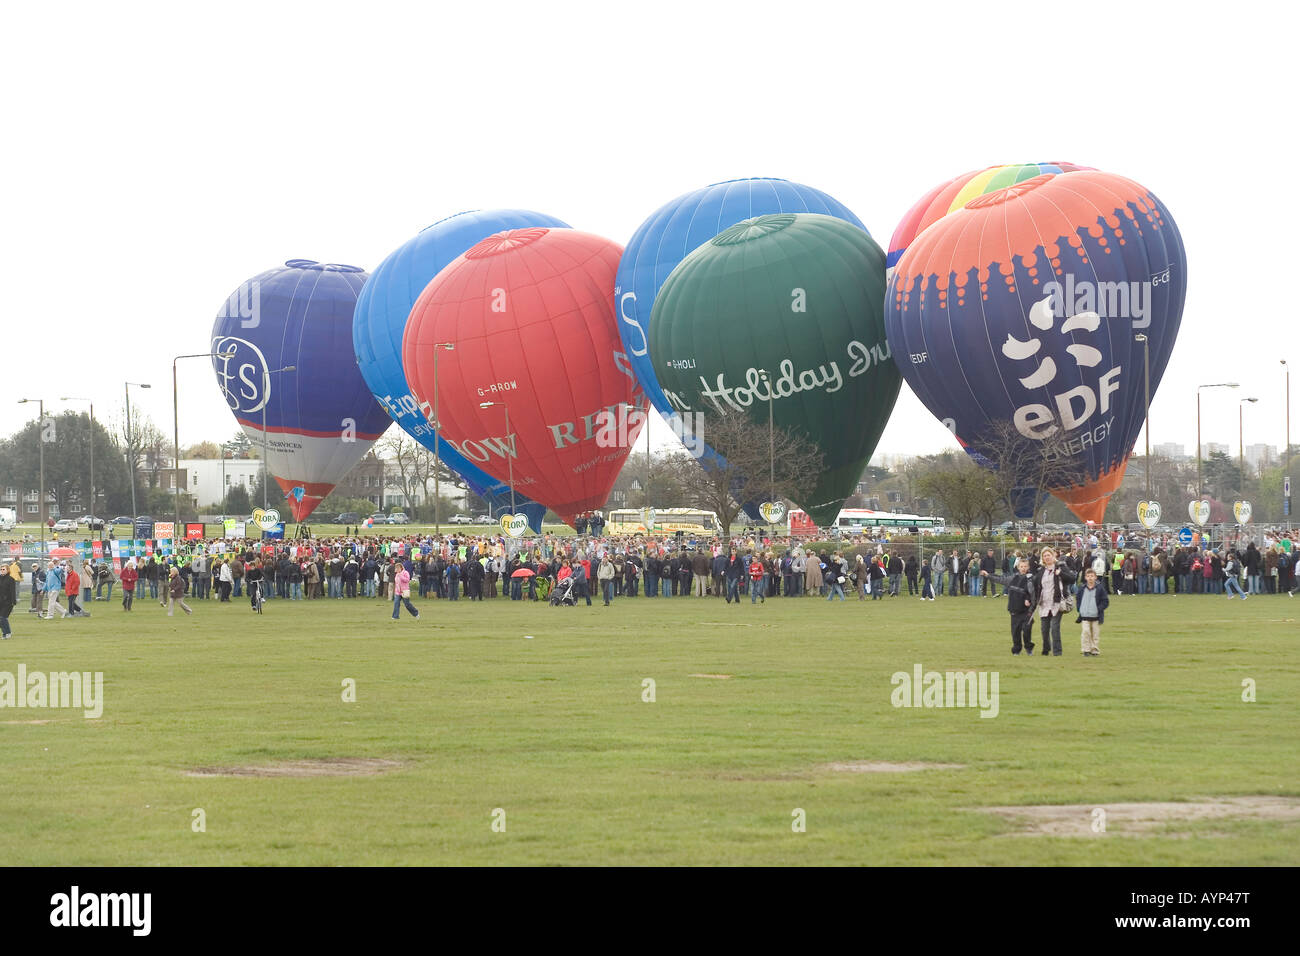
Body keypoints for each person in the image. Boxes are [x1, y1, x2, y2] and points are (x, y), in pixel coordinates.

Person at [1035, 547, 1076, 656]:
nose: (1047, 557)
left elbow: (1073, 578)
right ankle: (1046, 649)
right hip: (1044, 603)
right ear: (1042, 558)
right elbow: (1037, 586)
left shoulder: (1060, 566)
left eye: (1049, 555)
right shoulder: (1041, 571)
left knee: (1054, 627)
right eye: (1044, 556)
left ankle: (1057, 652)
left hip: (1057, 602)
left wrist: (1061, 574)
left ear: (1053, 556)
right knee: (1044, 629)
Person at [1000, 556, 1037, 655]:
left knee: (1026, 630)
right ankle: (1017, 650)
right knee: (1015, 632)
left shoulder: (1031, 579)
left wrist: (1029, 600)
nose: (1023, 568)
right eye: (1021, 566)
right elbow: (1000, 579)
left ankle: (1028, 647)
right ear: (1018, 567)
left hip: (1026, 611)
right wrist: (987, 575)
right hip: (1014, 610)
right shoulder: (1013, 578)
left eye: (1025, 566)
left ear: (1028, 567)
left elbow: (1034, 593)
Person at [1074, 567, 1109, 656]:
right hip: (1085, 616)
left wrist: (1099, 609)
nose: (1090, 578)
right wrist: (1079, 609)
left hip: (1096, 616)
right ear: (1085, 577)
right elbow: (1078, 599)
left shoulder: (1100, 589)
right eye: (1088, 576)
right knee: (1086, 632)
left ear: (1095, 577)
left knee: (1095, 634)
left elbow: (1105, 601)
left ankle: (1094, 650)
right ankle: (1086, 650)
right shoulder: (1082, 588)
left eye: (1092, 576)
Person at [0, 559, 16, 638]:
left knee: (3, 618)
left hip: (8, 602)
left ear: (7, 570)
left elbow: (13, 591)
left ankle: (7, 633)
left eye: (3, 569)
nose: (2, 571)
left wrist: (13, 601)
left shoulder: (10, 579)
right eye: (1, 569)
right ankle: (5, 632)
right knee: (1, 619)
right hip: (0, 602)